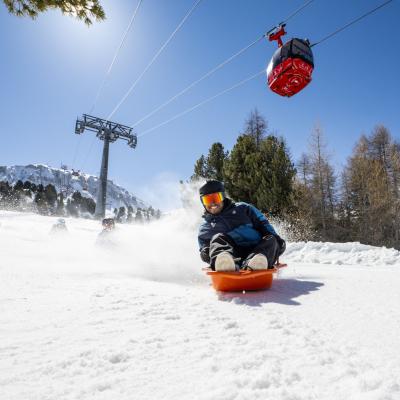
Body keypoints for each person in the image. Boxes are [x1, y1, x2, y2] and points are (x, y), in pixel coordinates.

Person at [198, 180, 286, 271]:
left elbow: (263, 224)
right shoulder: (206, 228)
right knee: (218, 238)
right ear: (203, 202)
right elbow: (205, 247)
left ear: (223, 197)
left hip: (257, 249)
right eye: (207, 200)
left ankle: (257, 263)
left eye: (216, 198)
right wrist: (205, 253)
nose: (212, 203)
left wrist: (277, 241)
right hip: (231, 256)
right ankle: (224, 263)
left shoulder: (243, 208)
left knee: (271, 239)